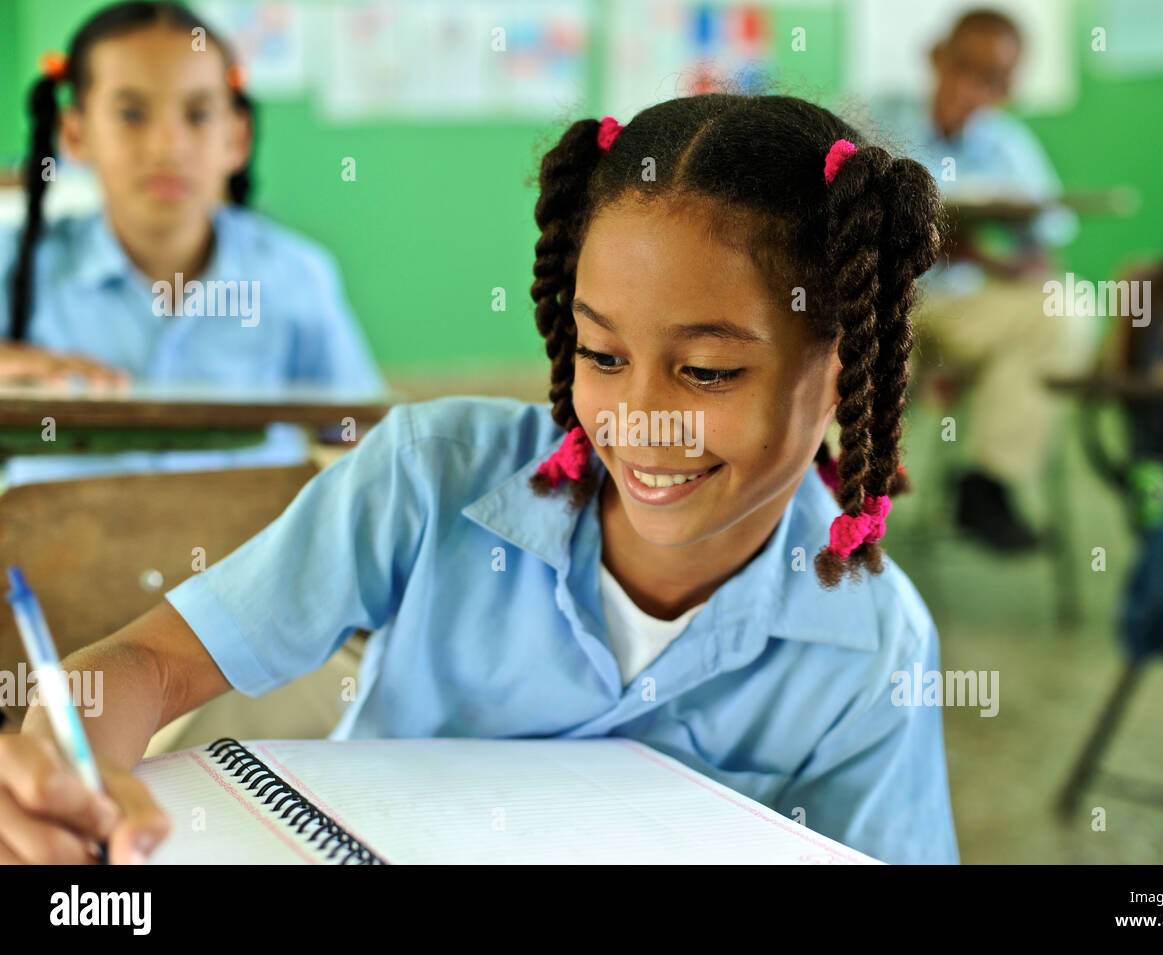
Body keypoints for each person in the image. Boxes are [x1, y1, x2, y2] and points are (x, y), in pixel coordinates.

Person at [0, 93, 960, 865]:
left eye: (707, 372)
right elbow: (154, 663)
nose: (639, 418)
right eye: (602, 353)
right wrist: (60, 755)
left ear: (842, 363)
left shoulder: (870, 640)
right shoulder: (430, 475)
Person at [0, 1, 383, 488]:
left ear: (236, 138)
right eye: (132, 114)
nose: (167, 146)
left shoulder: (294, 275)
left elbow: (362, 437)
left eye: (199, 114)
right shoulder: (17, 265)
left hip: (255, 560)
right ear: (75, 134)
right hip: (51, 560)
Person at [871, 7, 1096, 551]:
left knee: (1064, 307)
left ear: (1010, 85)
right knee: (832, 347)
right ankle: (829, 508)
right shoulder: (872, 124)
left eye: (994, 78)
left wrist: (993, 260)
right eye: (965, 67)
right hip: (878, 307)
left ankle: (987, 483)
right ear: (935, 58)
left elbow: (1041, 252)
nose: (974, 87)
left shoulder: (1010, 148)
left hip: (963, 310)